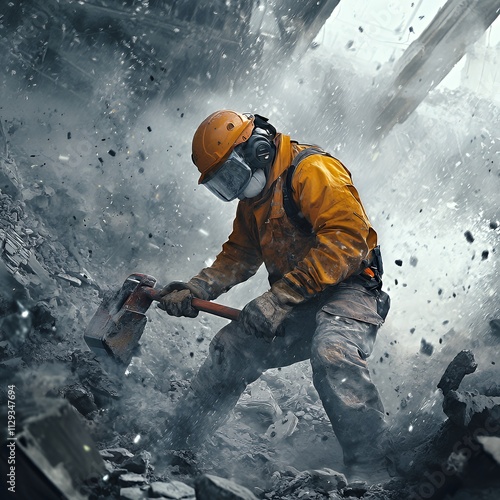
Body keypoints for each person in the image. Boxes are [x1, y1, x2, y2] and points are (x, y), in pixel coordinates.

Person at [158, 110, 392, 477]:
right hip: (298, 300)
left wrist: (279, 298)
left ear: (258, 149)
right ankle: (176, 447)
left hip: (350, 290)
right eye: (223, 184)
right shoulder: (253, 201)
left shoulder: (311, 171)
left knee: (332, 351)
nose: (234, 189)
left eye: (232, 175)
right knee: (230, 350)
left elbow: (348, 241)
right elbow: (239, 255)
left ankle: (374, 468)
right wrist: (196, 288)